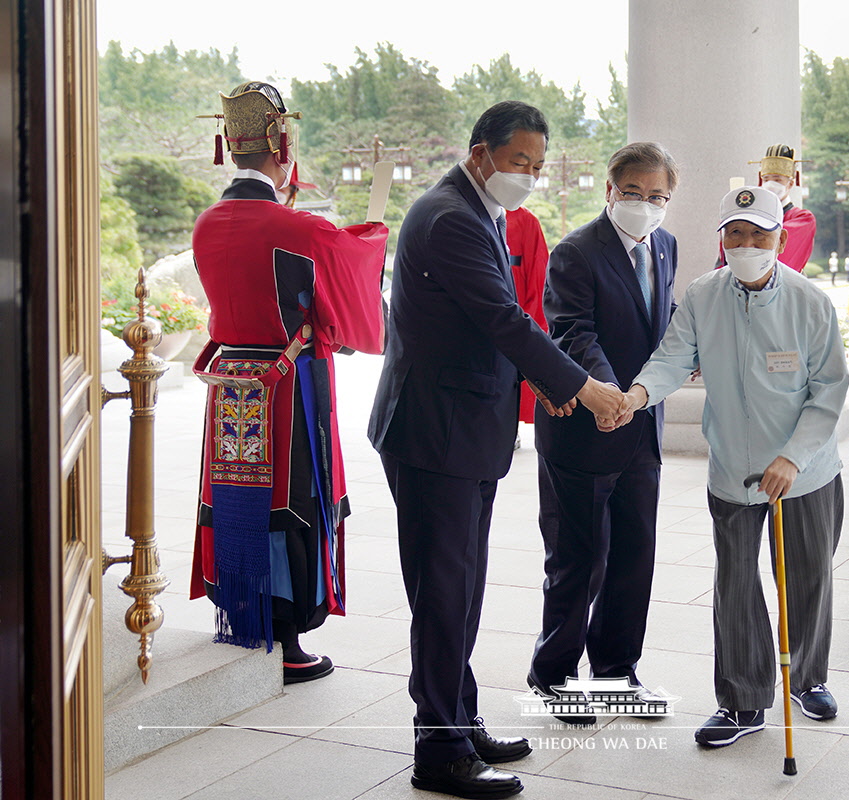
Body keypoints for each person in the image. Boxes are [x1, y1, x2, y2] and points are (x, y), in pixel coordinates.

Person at [366, 101, 624, 800]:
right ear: (480, 153)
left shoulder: (477, 208)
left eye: (538, 166)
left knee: (461, 588)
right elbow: (502, 317)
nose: (530, 177)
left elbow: (483, 328)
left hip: (461, 426)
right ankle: (439, 754)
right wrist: (583, 387)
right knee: (444, 592)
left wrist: (536, 383)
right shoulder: (451, 217)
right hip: (433, 433)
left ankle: (458, 718)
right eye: (520, 163)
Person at [611, 185, 848, 748]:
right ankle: (741, 701)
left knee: (808, 578)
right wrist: (637, 394)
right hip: (733, 474)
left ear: (779, 238)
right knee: (736, 586)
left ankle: (807, 678)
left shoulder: (810, 302)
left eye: (758, 233)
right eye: (735, 234)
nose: (746, 244)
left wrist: (793, 457)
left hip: (805, 472)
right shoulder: (702, 296)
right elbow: (673, 357)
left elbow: (829, 391)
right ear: (722, 240)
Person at [189, 82, 387, 685]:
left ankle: (243, 617)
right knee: (292, 497)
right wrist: (374, 229)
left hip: (229, 381)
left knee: (236, 498)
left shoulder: (206, 224)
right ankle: (289, 638)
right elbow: (350, 303)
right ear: (282, 142)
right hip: (287, 383)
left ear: (231, 145)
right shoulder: (297, 228)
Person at [528, 142, 679, 723]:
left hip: (641, 429)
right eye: (636, 193)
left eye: (658, 196)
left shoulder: (663, 246)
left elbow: (659, 328)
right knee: (579, 558)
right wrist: (609, 395)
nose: (646, 205)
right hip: (585, 430)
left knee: (634, 556)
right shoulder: (575, 253)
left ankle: (616, 670)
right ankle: (553, 674)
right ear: (610, 190)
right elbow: (573, 334)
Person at [505, 205, 550, 446]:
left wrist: (530, 324)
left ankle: (510, 428)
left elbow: (539, 277)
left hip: (516, 317)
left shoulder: (526, 222)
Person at [753, 143, 816, 272]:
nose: (770, 185)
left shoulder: (803, 218)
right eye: (766, 179)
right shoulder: (754, 215)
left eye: (777, 180)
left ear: (790, 183)